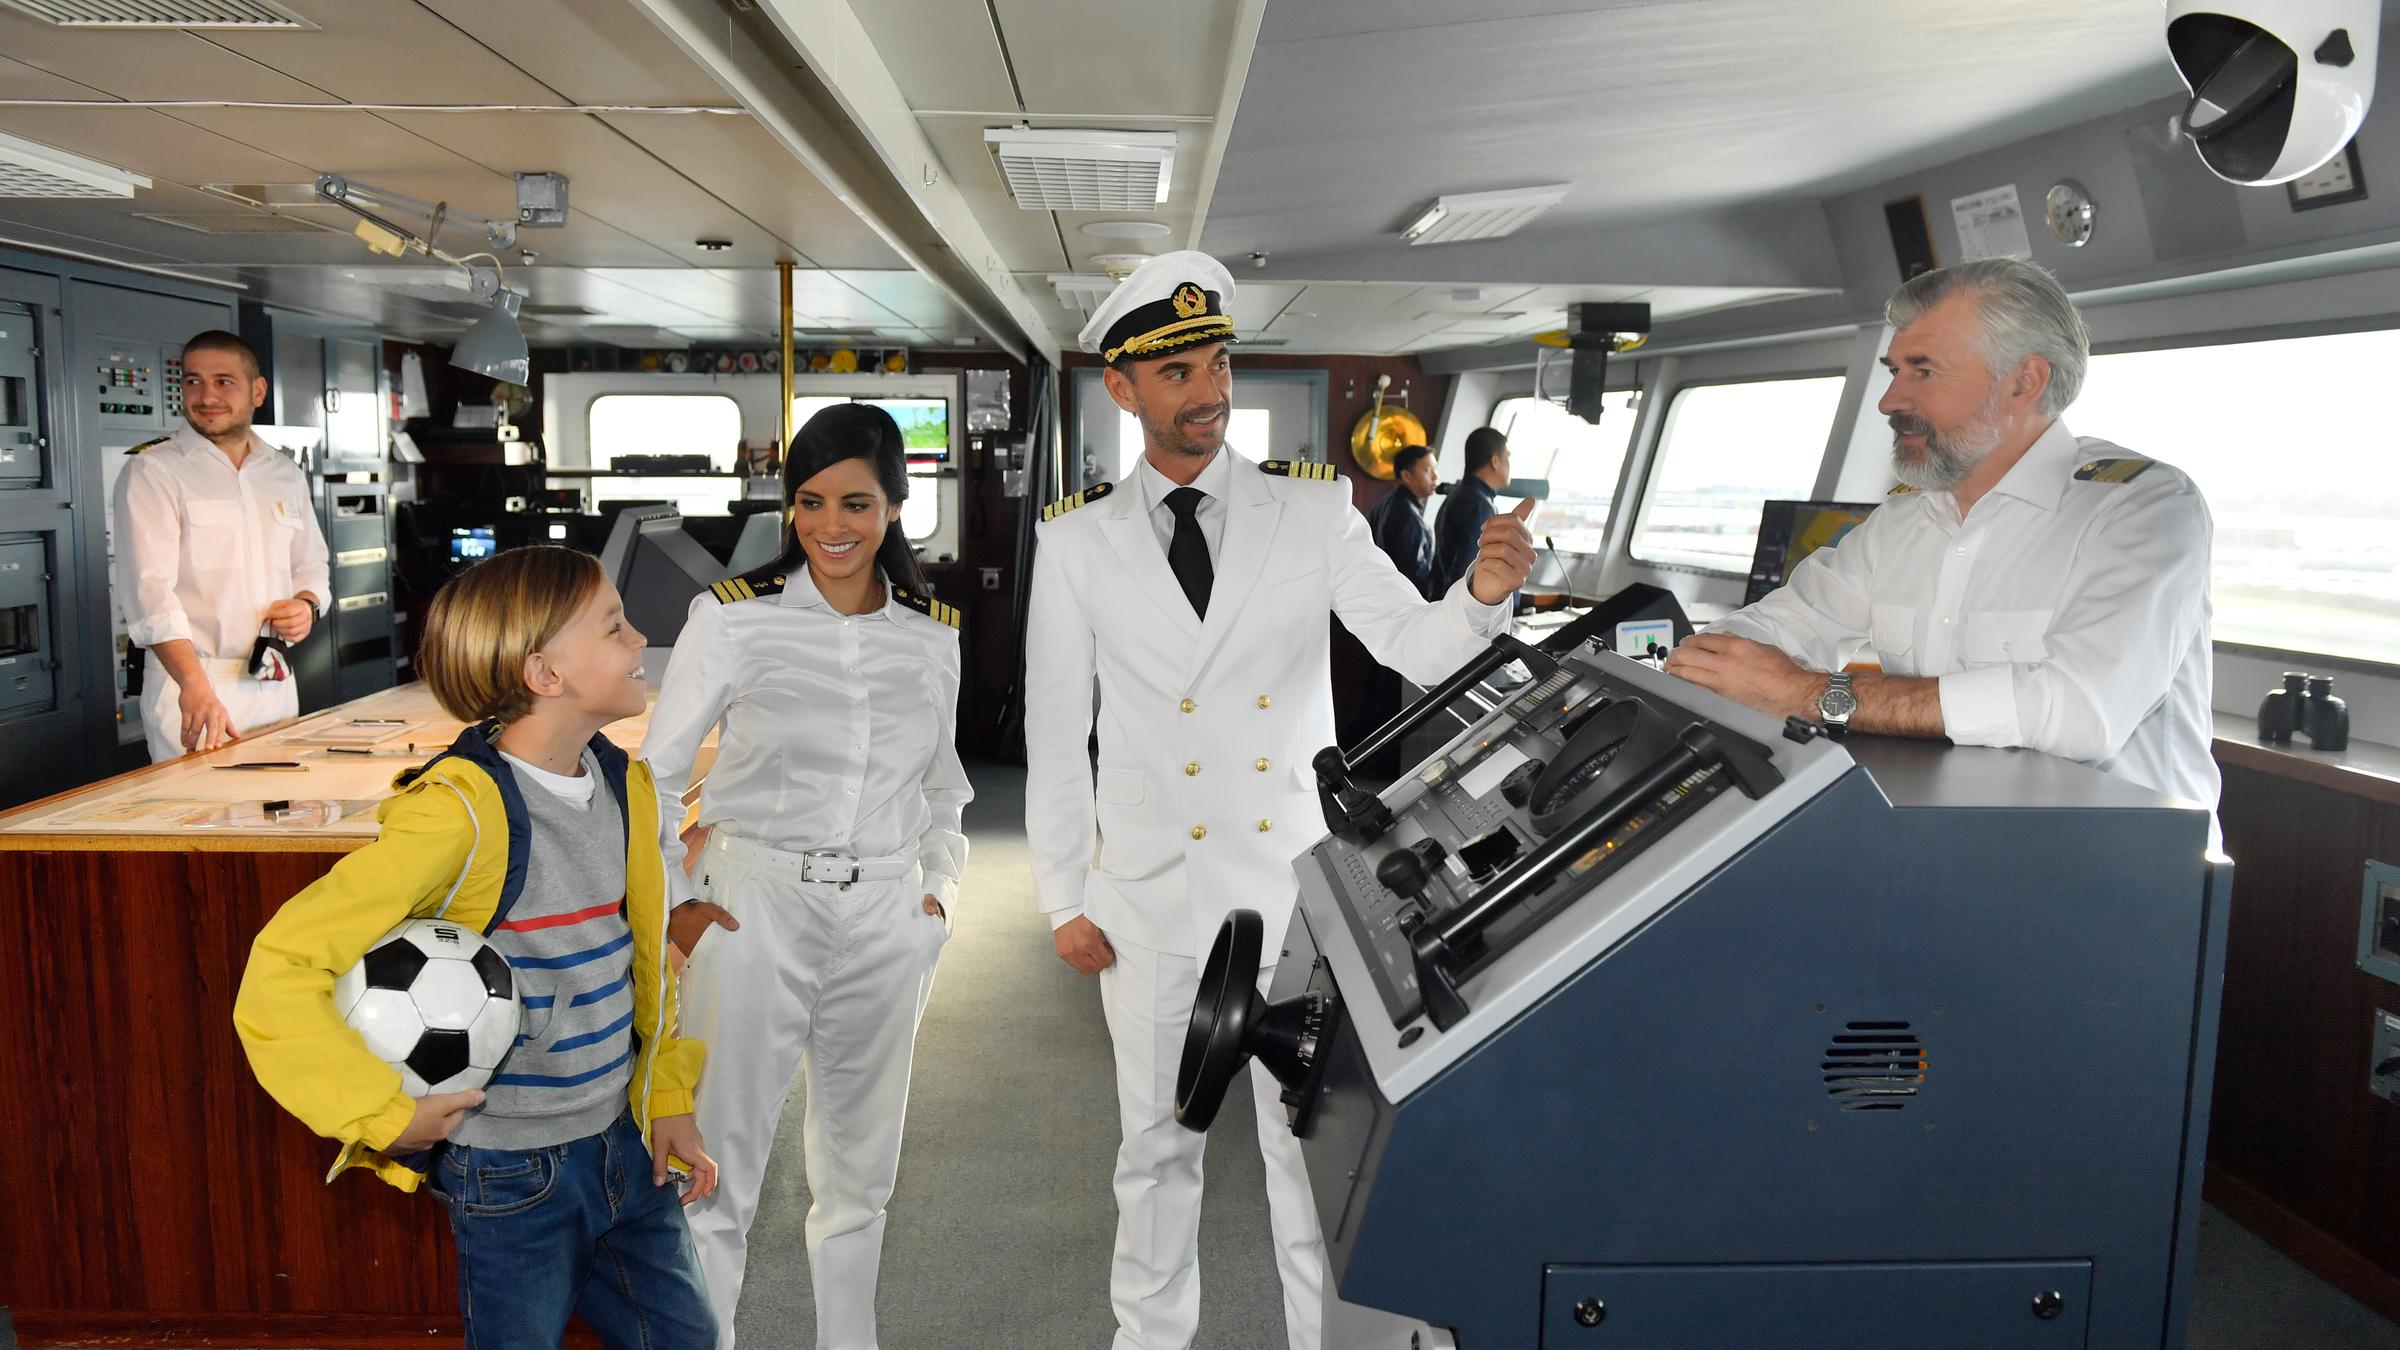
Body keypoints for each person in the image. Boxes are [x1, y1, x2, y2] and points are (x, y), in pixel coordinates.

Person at [1024, 250, 1536, 1350]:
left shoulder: (1315, 514)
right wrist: (1063, 894)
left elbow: (1412, 638)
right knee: (1155, 1155)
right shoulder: (1074, 542)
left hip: (1298, 902)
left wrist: (1482, 596)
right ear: (1122, 387)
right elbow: (1057, 731)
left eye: (1216, 361)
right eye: (1177, 373)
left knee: (1308, 1160)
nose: (1206, 389)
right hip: (1151, 904)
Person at [233, 545, 718, 1349]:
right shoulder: (456, 815)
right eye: (613, 626)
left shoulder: (625, 787)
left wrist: (667, 1099)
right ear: (544, 674)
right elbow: (283, 967)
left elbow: (643, 969)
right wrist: (381, 1112)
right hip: (511, 1173)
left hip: (623, 1144)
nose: (639, 639)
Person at [1663, 257, 2219, 836]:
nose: (1888, 400)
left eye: (1922, 372)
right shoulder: (1904, 519)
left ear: (2022, 383)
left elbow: (2080, 710)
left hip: (2124, 859)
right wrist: (1714, 665)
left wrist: (1811, 694)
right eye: (1893, 370)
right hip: (1947, 836)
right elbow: (1780, 626)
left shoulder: (2141, 508)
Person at [644, 403, 971, 1350]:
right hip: (753, 908)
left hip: (885, 914)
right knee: (714, 1174)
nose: (833, 526)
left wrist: (937, 898)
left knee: (861, 1182)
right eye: (813, 502)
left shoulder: (930, 634)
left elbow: (945, 787)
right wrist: (685, 904)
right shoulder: (732, 620)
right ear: (791, 507)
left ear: (897, 509)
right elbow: (658, 779)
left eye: (858, 504)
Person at [112, 330, 330, 761]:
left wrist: (306, 604)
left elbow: (312, 564)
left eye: (223, 381)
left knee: (281, 814)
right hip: (194, 683)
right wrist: (193, 684)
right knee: (202, 818)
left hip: (273, 675)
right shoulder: (154, 470)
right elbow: (149, 591)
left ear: (257, 390)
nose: (206, 395)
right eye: (193, 381)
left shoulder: (283, 472)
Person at [1432, 425, 1510, 591]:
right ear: (1495, 461)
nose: (1510, 463)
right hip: (1458, 610)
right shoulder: (1480, 505)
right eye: (1507, 457)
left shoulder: (1457, 494)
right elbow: (1467, 574)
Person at [1366, 443, 1440, 601]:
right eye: (1428, 470)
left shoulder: (1384, 503)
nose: (1435, 476)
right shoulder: (1408, 515)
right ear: (1407, 476)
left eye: (1435, 469)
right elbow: (1413, 575)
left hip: (1377, 595)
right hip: (1399, 602)